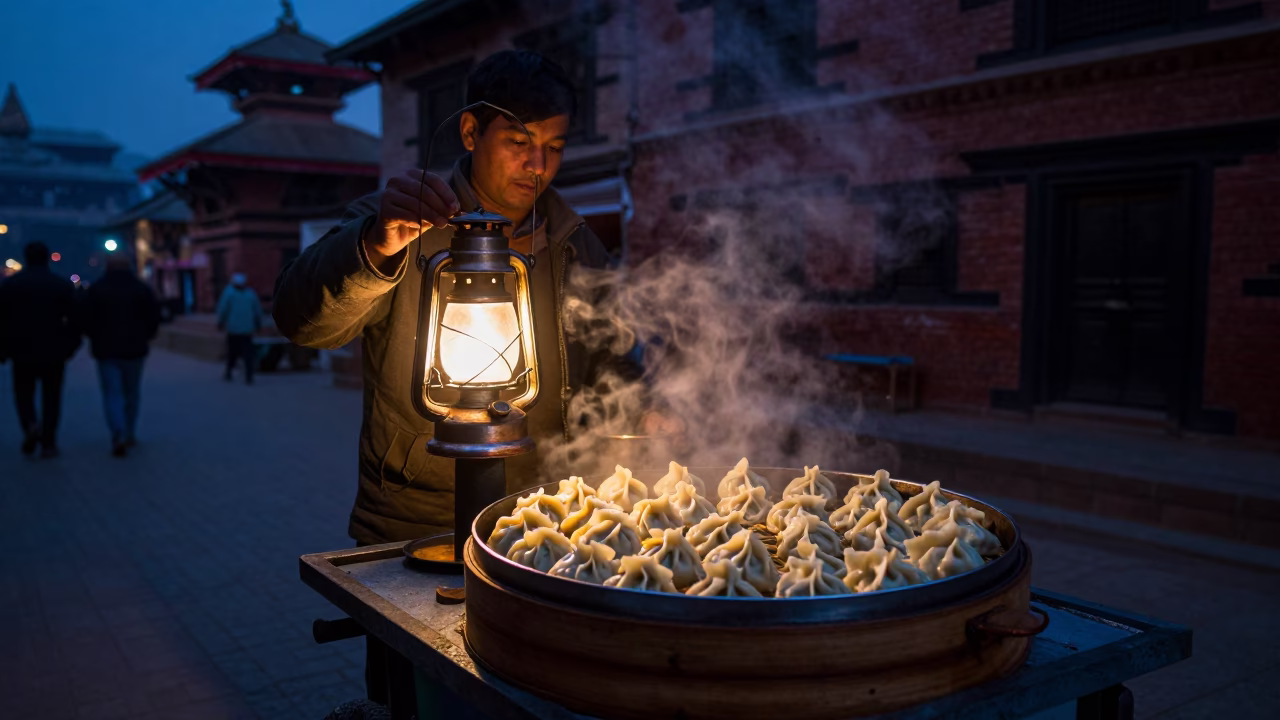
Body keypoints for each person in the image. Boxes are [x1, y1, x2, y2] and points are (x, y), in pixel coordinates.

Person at [272, 50, 639, 705]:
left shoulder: (573, 244)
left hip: (537, 525)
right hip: (414, 522)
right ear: (471, 134)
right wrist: (376, 243)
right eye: (520, 142)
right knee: (416, 694)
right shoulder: (399, 222)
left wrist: (639, 404)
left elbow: (613, 360)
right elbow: (304, 321)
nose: (539, 165)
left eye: (553, 146)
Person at [0, 242, 80, 457]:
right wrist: (70, 347)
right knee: (52, 397)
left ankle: (30, 425)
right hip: (54, 350)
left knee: (23, 394)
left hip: (21, 350)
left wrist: (4, 349)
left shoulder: (11, 285)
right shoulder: (61, 285)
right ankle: (49, 442)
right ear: (46, 258)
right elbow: (75, 320)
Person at [80, 253, 161, 456]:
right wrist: (146, 336)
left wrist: (94, 337)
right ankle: (130, 432)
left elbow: (86, 318)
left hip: (106, 350)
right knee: (132, 393)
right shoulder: (141, 289)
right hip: (135, 349)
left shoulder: (97, 289)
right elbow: (154, 317)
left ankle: (118, 431)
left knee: (112, 393)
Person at [216, 272, 262, 384]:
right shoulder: (250, 294)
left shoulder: (229, 293)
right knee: (247, 354)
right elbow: (257, 310)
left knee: (233, 352)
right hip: (247, 329)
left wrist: (220, 322)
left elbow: (223, 309)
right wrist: (258, 324)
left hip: (233, 329)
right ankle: (249, 375)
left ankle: (229, 371)